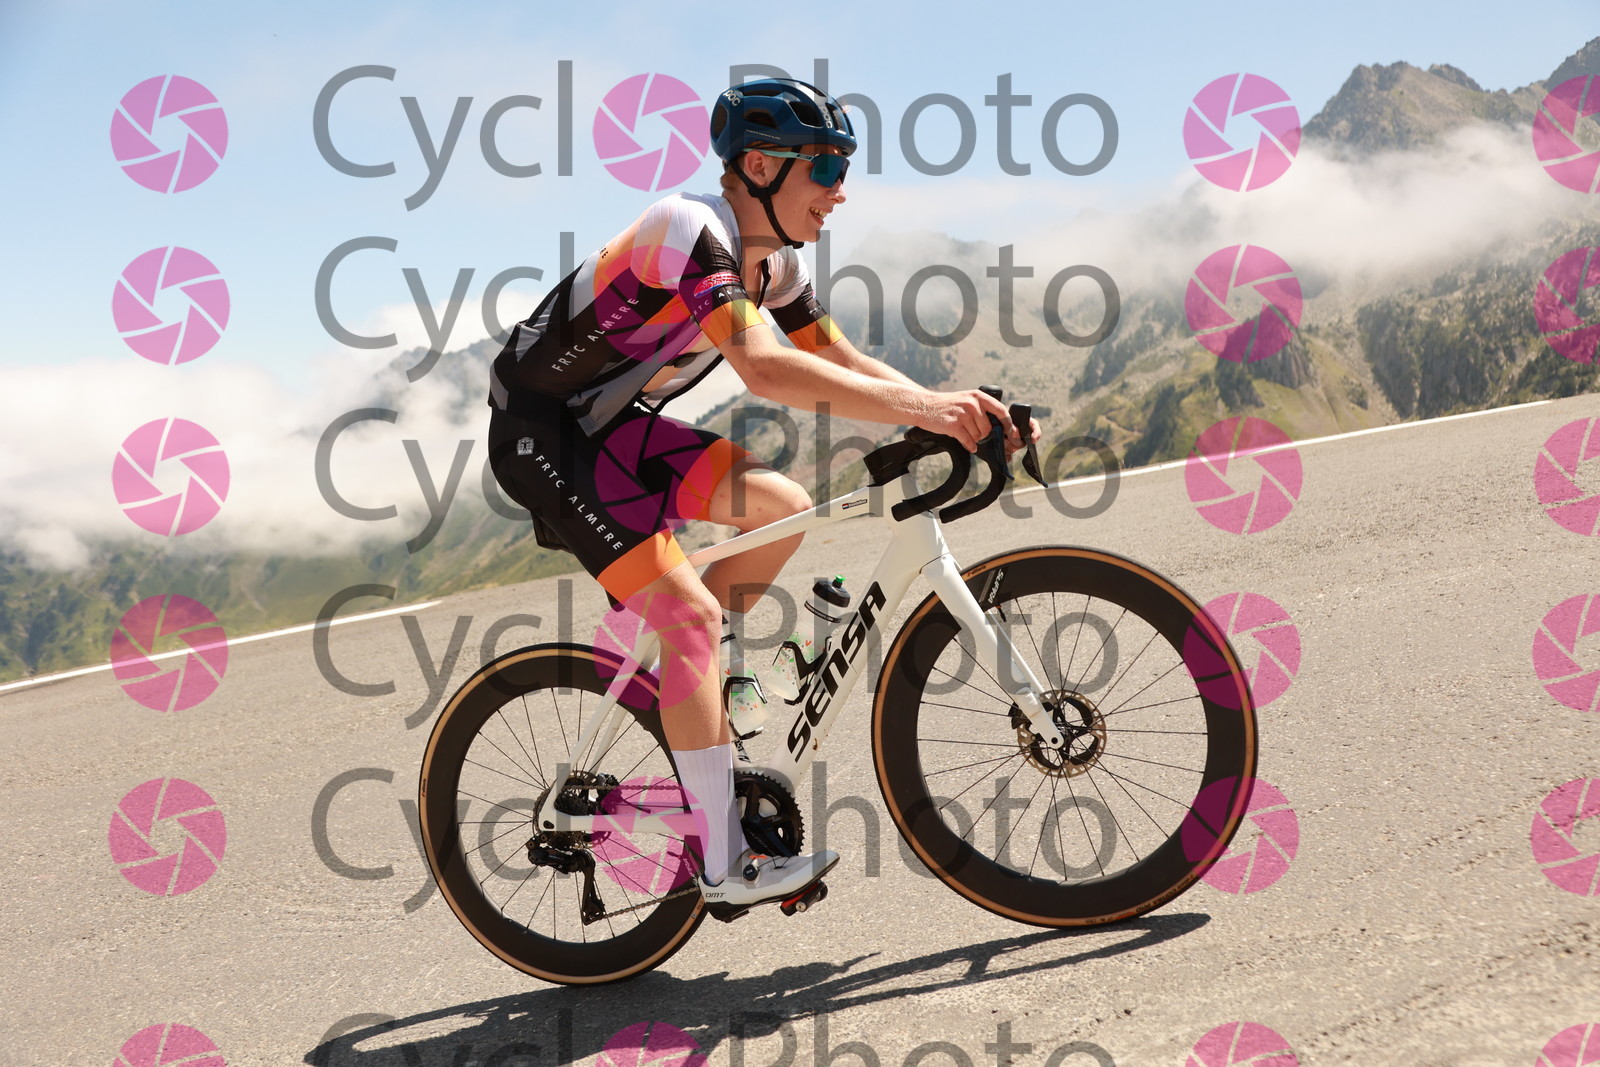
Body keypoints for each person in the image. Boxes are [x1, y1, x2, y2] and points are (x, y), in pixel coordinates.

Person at [487, 78, 1028, 914]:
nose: (840, 191)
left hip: (613, 427)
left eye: (844, 168)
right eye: (827, 168)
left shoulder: (775, 264)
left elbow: (841, 362)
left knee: (779, 504)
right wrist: (928, 410)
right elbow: (766, 369)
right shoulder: (685, 229)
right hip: (541, 434)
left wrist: (958, 411)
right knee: (690, 617)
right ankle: (724, 861)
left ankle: (699, 688)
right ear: (764, 166)